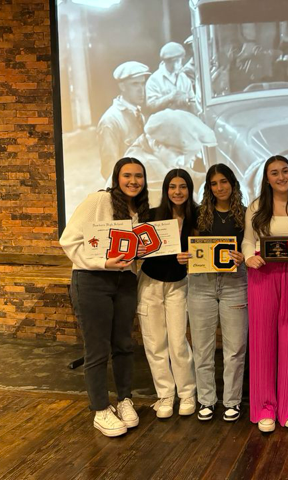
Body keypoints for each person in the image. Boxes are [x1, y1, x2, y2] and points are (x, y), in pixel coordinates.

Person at [60, 157, 150, 437]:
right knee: (97, 348)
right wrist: (101, 263)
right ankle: (100, 409)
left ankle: (124, 400)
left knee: (123, 344)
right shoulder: (98, 201)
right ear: (116, 178)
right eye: (127, 176)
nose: (133, 181)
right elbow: (68, 240)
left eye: (139, 176)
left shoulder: (139, 211)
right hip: (92, 280)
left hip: (125, 280)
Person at [241, 155, 288, 433]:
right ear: (267, 178)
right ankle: (264, 408)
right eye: (275, 172)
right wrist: (248, 256)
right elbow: (249, 240)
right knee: (261, 342)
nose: (281, 176)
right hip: (261, 275)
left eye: (285, 171)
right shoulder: (256, 207)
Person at [186, 164, 248, 422]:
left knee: (234, 348)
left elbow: (252, 247)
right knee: (202, 347)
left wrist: (245, 256)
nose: (220, 187)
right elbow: (191, 245)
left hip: (235, 283)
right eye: (214, 183)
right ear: (208, 188)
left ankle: (232, 401)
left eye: (224, 182)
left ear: (233, 183)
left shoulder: (246, 215)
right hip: (202, 284)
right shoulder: (199, 214)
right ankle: (206, 400)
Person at [137, 169, 198, 419]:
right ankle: (165, 395)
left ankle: (187, 394)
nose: (177, 192)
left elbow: (205, 255)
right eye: (172, 187)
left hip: (179, 285)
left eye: (182, 186)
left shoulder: (198, 218)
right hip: (150, 283)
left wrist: (191, 259)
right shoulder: (152, 216)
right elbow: (138, 249)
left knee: (177, 342)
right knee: (155, 343)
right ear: (165, 190)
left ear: (190, 189)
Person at [124, 109, 217, 205]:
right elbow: (189, 205)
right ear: (157, 145)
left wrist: (212, 179)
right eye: (180, 154)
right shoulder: (148, 166)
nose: (184, 162)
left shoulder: (149, 145)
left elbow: (186, 172)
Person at [97, 61, 150, 180]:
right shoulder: (110, 120)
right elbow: (109, 170)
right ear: (122, 86)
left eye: (142, 84)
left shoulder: (138, 114)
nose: (141, 89)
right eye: (135, 84)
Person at [146, 41, 199, 115]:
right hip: (164, 122)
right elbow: (150, 107)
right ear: (166, 61)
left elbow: (192, 101)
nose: (177, 65)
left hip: (184, 120)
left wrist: (188, 102)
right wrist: (170, 97)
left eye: (179, 61)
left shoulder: (184, 78)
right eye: (174, 62)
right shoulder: (154, 80)